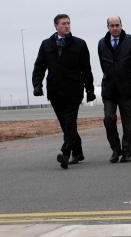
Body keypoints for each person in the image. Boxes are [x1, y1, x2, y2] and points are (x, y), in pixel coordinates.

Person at [32, 14, 95, 169]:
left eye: (69, 23)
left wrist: (90, 89)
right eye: (63, 23)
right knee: (66, 124)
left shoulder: (79, 44)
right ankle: (78, 151)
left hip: (74, 90)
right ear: (56, 26)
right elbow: (39, 66)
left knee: (70, 122)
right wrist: (37, 85)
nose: (67, 26)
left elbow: (86, 69)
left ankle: (65, 153)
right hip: (55, 91)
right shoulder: (46, 44)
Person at [97, 16, 131, 163]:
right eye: (112, 26)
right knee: (109, 119)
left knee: (127, 122)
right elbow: (103, 64)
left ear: (121, 25)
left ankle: (127, 151)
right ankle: (116, 150)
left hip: (127, 89)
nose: (115, 28)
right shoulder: (102, 43)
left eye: (117, 25)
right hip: (109, 89)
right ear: (108, 27)